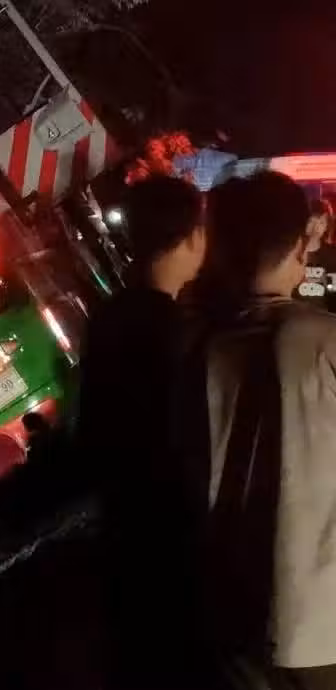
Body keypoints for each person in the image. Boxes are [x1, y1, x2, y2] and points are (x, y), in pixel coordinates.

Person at [202, 171, 336, 690]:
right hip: (324, 623)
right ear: (301, 244)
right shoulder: (324, 341)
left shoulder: (204, 353)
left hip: (237, 623)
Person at [75, 174, 210, 689]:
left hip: (119, 523)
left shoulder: (107, 316)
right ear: (193, 237)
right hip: (169, 530)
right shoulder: (179, 330)